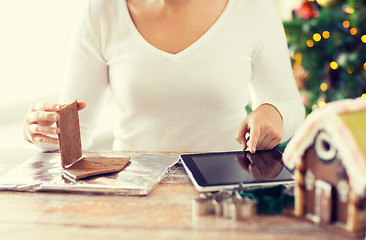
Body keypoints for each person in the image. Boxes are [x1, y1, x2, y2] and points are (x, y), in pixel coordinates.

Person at [24, 0, 305, 153]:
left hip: (225, 189)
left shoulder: (255, 9)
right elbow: (73, 133)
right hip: (133, 187)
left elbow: (292, 107)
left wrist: (274, 112)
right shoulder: (101, 11)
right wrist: (42, 131)